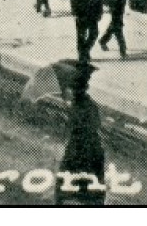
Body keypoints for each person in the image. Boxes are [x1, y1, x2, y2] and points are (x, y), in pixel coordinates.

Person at [55, 61, 107, 206]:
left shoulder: (77, 107)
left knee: (65, 187)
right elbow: (95, 125)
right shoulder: (90, 105)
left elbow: (74, 128)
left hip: (77, 150)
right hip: (93, 151)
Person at [68, 0, 103, 64]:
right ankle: (82, 55)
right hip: (81, 13)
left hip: (92, 13)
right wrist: (74, 11)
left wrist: (99, 12)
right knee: (81, 35)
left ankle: (85, 50)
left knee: (94, 33)